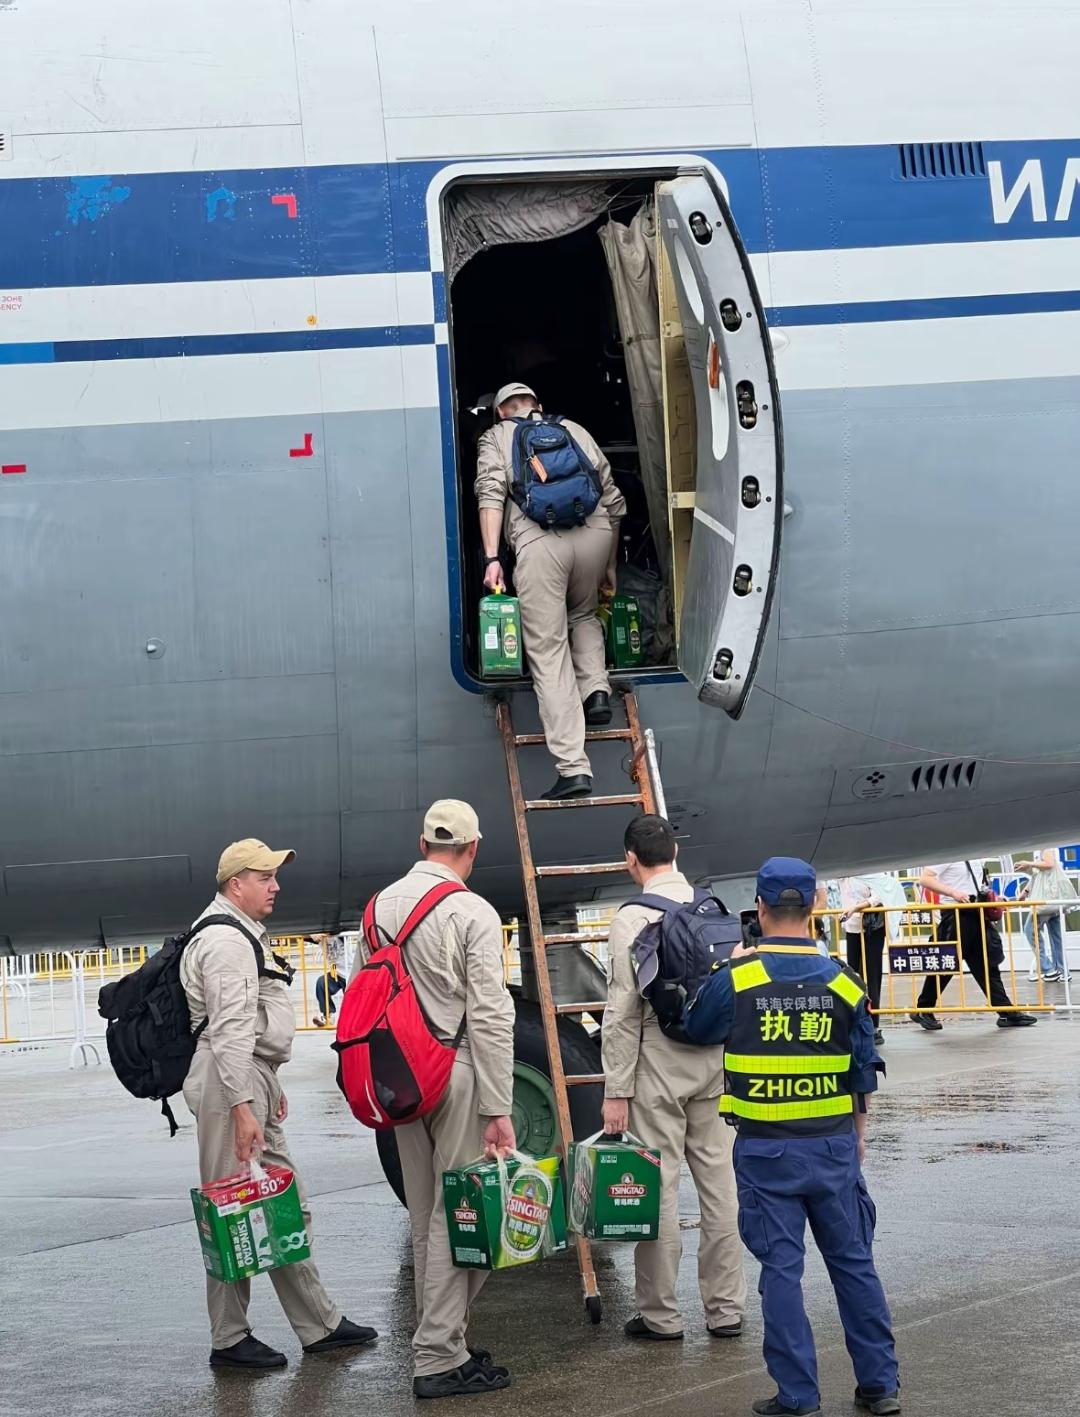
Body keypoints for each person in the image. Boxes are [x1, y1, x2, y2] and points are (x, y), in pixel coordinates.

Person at [684, 857, 900, 1417]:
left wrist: (726, 969)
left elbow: (697, 1028)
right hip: (832, 1147)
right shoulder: (846, 984)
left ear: (758, 908)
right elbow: (862, 1073)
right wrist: (856, 1139)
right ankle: (879, 1387)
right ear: (816, 907)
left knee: (781, 1270)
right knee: (854, 1263)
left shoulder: (739, 977)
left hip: (765, 1150)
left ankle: (798, 1395)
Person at [180, 839, 377, 1369]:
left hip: (247, 1079)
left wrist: (267, 1084)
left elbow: (248, 1031)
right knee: (233, 1213)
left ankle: (320, 1324)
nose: (276, 885)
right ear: (235, 883)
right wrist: (244, 1103)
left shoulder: (240, 934)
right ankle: (229, 1338)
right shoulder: (225, 941)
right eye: (265, 876)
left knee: (280, 1204)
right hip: (230, 1086)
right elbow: (227, 1030)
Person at [368, 801, 516, 1398]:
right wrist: (499, 1105)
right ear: (473, 849)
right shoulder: (471, 910)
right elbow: (490, 1011)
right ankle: (436, 1356)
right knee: (461, 1215)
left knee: (428, 1212)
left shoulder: (379, 905)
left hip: (402, 1077)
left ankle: (444, 1340)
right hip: (454, 1071)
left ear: (422, 842)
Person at [600, 815, 746, 1342]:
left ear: (630, 861)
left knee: (657, 1190)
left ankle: (661, 1316)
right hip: (714, 1056)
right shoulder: (712, 909)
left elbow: (620, 1010)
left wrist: (616, 1089)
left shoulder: (632, 918)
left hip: (657, 1059)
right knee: (720, 1187)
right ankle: (725, 1309)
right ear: (677, 851)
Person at [475, 382, 627, 800]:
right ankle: (596, 693)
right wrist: (610, 563)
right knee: (583, 613)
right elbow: (612, 497)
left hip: (541, 543)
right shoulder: (574, 429)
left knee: (548, 649)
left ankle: (573, 767)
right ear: (538, 406)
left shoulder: (497, 436)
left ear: (501, 412)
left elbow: (489, 493)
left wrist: (492, 559)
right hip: (595, 535)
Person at [909, 861, 1037, 1030]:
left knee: (987, 963)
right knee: (946, 965)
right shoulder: (947, 854)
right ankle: (923, 1009)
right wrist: (953, 893)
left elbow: (977, 885)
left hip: (977, 912)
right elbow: (925, 879)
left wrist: (995, 899)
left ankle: (1005, 1011)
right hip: (955, 914)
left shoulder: (976, 856)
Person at [1015, 847, 1074, 982]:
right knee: (1055, 935)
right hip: (1053, 899)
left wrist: (1029, 864)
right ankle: (1062, 970)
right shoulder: (1043, 848)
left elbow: (1049, 864)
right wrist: (1025, 892)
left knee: (1030, 930)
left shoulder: (1046, 847)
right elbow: (1040, 874)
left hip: (1046, 901)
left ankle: (1047, 968)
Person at [840, 877, 886, 1044]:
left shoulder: (871, 871)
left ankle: (873, 1026)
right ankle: (855, 1022)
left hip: (871, 928)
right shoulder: (843, 873)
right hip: (852, 927)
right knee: (852, 977)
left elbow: (879, 896)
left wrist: (857, 907)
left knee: (872, 978)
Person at [308, 932, 347, 1026]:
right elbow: (301, 933)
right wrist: (312, 935)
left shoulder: (341, 936)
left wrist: (327, 933)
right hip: (336, 974)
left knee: (352, 1000)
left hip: (349, 972)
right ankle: (328, 1016)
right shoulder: (320, 938)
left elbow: (344, 928)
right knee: (321, 983)